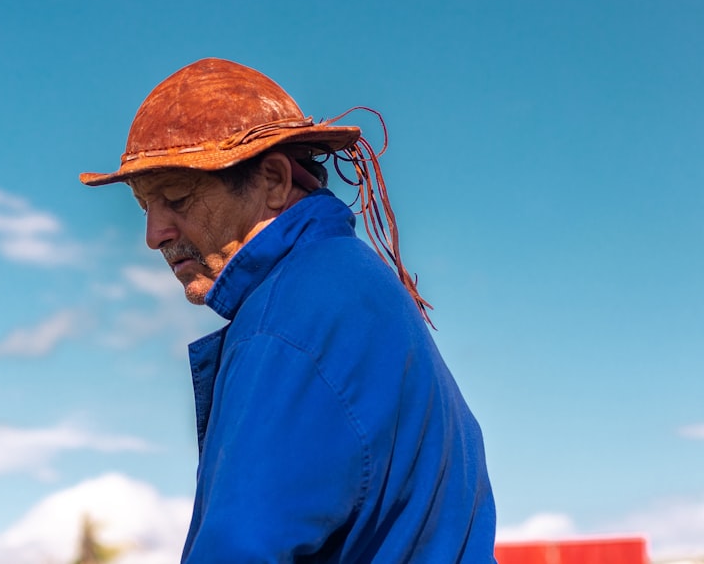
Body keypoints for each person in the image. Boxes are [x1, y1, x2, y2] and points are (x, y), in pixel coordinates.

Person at [80, 58, 496, 563]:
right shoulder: (348, 279)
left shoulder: (287, 319)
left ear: (274, 181)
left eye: (177, 198)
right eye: (146, 205)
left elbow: (241, 549)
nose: (154, 235)